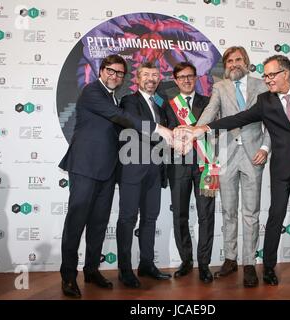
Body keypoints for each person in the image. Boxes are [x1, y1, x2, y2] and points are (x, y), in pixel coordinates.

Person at [183, 55, 290, 287]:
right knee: (276, 216)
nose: (267, 80)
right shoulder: (266, 101)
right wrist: (204, 128)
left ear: (285, 74)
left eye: (271, 75)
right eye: (265, 76)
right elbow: (239, 117)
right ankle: (268, 268)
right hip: (282, 167)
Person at [59, 55, 172, 298]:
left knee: (99, 224)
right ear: (101, 70)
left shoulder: (113, 97)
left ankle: (91, 270)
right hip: (86, 167)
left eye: (120, 73)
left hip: (109, 170)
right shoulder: (93, 91)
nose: (115, 76)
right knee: (76, 222)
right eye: (111, 71)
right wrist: (156, 128)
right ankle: (68, 276)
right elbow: (122, 118)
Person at [195, 46, 270, 287]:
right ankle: (230, 258)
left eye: (238, 59)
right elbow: (210, 112)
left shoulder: (261, 85)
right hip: (226, 156)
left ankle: (249, 263)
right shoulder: (220, 87)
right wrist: (194, 130)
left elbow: (271, 120)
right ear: (225, 65)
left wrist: (265, 147)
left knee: (251, 213)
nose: (233, 64)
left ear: (246, 61)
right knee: (228, 211)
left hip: (253, 155)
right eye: (229, 61)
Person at [116, 62, 171, 288]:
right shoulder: (129, 100)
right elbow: (137, 126)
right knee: (128, 218)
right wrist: (166, 134)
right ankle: (125, 269)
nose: (151, 78)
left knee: (150, 218)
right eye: (146, 74)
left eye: (155, 75)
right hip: (133, 168)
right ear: (137, 79)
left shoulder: (160, 101)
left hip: (156, 169)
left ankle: (146, 264)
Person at [164, 62, 216, 283]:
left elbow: (217, 130)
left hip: (206, 165)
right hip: (178, 166)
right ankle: (186, 261)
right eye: (181, 77)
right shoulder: (169, 105)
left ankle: (204, 264)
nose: (186, 80)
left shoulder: (209, 103)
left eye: (190, 76)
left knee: (206, 215)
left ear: (196, 78)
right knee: (180, 215)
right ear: (175, 80)